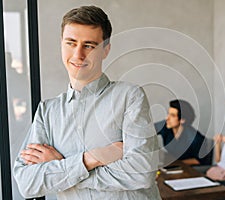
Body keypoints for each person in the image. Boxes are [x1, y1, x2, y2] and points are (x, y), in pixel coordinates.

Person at [13, 5, 161, 200]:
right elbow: (26, 183)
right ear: (61, 44)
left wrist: (63, 167)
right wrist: (90, 159)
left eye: (89, 45)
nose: (78, 55)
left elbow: (141, 173)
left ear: (105, 50)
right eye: (71, 43)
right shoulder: (47, 112)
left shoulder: (129, 97)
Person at [156, 99, 212, 166]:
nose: (167, 118)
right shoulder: (166, 125)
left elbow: (199, 161)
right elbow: (147, 132)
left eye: (172, 115)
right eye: (168, 114)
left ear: (182, 120)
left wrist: (174, 164)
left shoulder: (195, 138)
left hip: (191, 170)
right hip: (172, 165)